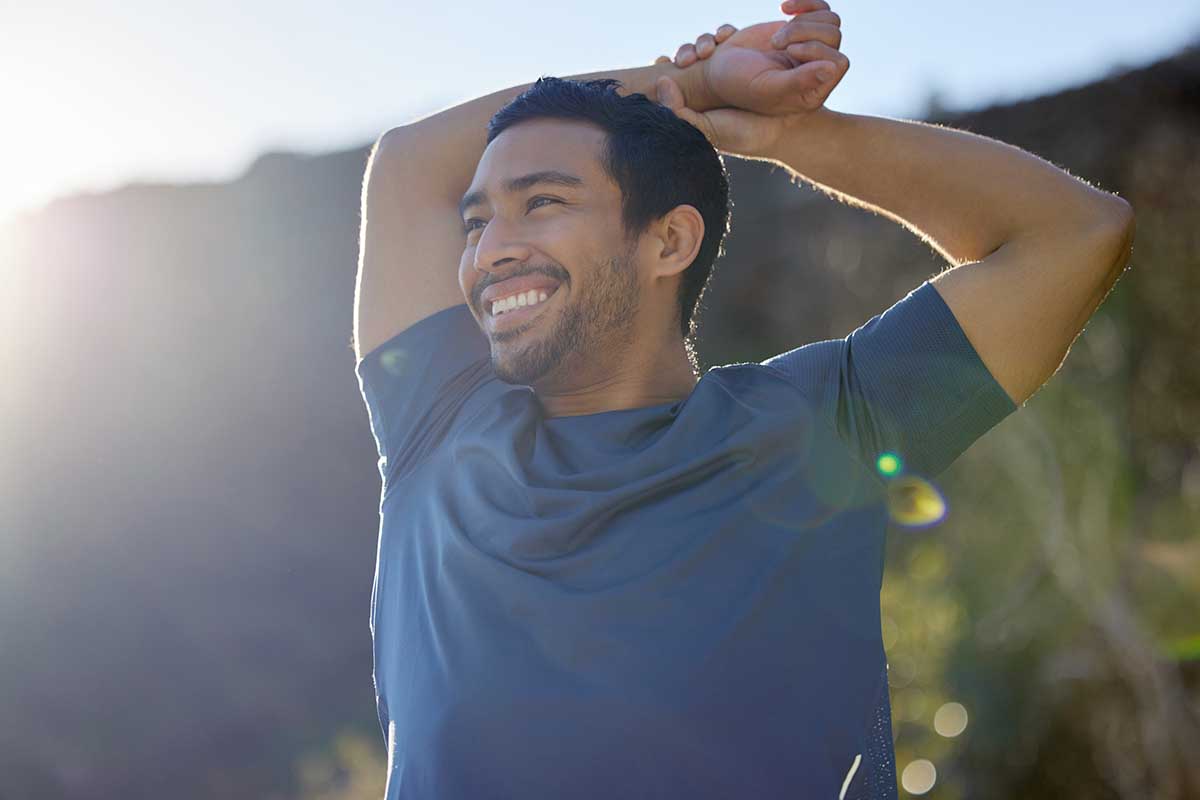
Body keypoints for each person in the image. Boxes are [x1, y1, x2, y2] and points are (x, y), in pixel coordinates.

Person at [351, 2, 1135, 797]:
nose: (489, 250)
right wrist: (690, 83)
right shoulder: (435, 427)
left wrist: (778, 132)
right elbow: (410, 162)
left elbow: (1077, 233)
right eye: (476, 222)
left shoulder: (826, 427)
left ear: (669, 240)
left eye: (542, 202)